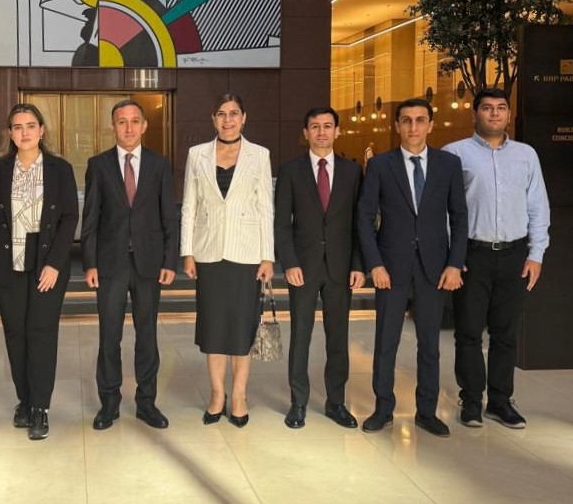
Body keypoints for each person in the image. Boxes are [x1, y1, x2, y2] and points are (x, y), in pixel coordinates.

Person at [357, 98, 468, 438]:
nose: (413, 126)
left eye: (420, 120)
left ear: (431, 125)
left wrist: (455, 263)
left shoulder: (449, 164)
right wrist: (375, 264)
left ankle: (427, 412)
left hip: (435, 268)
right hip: (390, 268)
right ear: (397, 125)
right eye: (406, 120)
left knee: (429, 344)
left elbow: (459, 217)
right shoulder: (380, 165)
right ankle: (383, 409)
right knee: (385, 342)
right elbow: (364, 218)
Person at [443, 88, 550, 429]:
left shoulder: (526, 155)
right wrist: (452, 256)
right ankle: (472, 401)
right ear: (474, 113)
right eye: (487, 108)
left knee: (506, 333)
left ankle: (501, 401)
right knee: (468, 332)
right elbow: (444, 211)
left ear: (507, 114)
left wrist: (536, 254)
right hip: (471, 255)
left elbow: (538, 206)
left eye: (501, 108)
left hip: (515, 254)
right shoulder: (454, 154)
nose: (494, 113)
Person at [0, 103, 78, 440]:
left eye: (30, 126)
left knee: (41, 332)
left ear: (41, 130)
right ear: (10, 133)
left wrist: (55, 263)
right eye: (17, 127)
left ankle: (40, 408)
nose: (24, 132)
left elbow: (69, 218)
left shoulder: (60, 169)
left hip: (46, 261)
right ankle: (25, 399)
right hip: (8, 262)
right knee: (15, 334)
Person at [81, 99, 178, 431]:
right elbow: (90, 217)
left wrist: (170, 260)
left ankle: (146, 402)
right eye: (121, 121)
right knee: (109, 336)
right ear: (113, 127)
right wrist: (89, 263)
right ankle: (109, 403)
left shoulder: (159, 164)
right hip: (110, 264)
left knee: (147, 335)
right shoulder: (98, 165)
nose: (129, 127)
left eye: (135, 121)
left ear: (144, 126)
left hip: (149, 263)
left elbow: (169, 216)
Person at [180, 94, 274, 428]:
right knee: (214, 328)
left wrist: (267, 256)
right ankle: (217, 394)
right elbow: (189, 205)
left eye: (234, 114)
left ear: (244, 118)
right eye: (221, 114)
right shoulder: (197, 154)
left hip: (246, 254)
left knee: (241, 329)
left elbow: (266, 208)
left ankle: (239, 396)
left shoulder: (259, 155)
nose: (228, 120)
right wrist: (187, 251)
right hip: (208, 253)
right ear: (213, 119)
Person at [274, 106, 365, 430]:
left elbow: (360, 223)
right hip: (303, 267)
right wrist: (289, 263)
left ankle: (336, 402)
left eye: (328, 126)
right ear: (306, 133)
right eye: (315, 126)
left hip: (341, 267)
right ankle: (298, 402)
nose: (322, 132)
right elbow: (281, 223)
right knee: (300, 336)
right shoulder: (290, 171)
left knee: (338, 337)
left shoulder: (353, 171)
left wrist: (358, 265)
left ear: (337, 131)